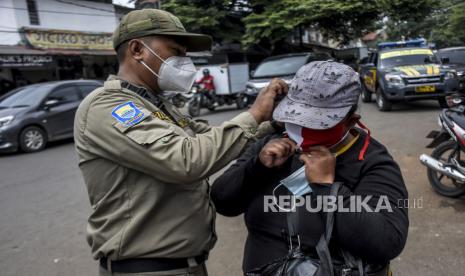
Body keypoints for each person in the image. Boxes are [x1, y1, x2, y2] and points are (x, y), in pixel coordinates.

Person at [73, 9, 288, 276]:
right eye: (177, 51)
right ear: (138, 49)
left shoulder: (157, 105)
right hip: (148, 269)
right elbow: (186, 160)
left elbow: (212, 137)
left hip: (186, 265)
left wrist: (271, 123)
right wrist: (254, 114)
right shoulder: (107, 105)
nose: (186, 62)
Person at [211, 61, 409, 275]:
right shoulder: (271, 145)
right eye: (296, 118)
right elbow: (223, 201)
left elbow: (387, 242)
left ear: (351, 121)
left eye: (318, 124)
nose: (303, 132)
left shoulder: (372, 160)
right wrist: (256, 167)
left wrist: (327, 188)